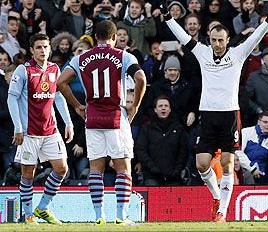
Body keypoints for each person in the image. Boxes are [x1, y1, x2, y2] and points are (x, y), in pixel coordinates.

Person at [160, 0, 268, 222]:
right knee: (202, 164)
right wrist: (167, 17)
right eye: (214, 39)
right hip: (207, 115)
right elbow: (184, 36)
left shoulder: (238, 54)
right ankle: (217, 197)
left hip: (229, 115)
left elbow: (257, 35)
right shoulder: (202, 52)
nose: (217, 44)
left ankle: (221, 212)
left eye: (221, 40)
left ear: (227, 41)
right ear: (210, 39)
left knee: (227, 164)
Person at [57, 20, 146, 226]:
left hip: (93, 119)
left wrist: (78, 106)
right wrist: (135, 106)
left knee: (96, 168)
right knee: (123, 168)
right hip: (116, 117)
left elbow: (61, 82)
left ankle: (98, 215)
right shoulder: (124, 56)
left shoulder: (81, 58)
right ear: (114, 37)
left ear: (96, 37)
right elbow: (140, 77)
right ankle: (121, 216)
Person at [7, 33, 74, 225]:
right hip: (29, 133)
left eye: (45, 47)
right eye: (38, 47)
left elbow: (58, 97)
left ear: (50, 49)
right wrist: (18, 127)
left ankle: (42, 208)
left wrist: (68, 122)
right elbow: (12, 98)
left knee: (62, 169)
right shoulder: (23, 70)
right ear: (31, 50)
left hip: (51, 131)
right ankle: (28, 214)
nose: (42, 50)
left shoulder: (55, 69)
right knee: (28, 174)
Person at [136, 95, 188, 186]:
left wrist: (177, 170)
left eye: (166, 106)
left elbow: (183, 151)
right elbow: (141, 150)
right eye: (160, 106)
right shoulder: (147, 128)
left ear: (170, 109)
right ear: (155, 110)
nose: (163, 108)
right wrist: (153, 168)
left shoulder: (179, 128)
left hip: (174, 177)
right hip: (152, 176)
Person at [235, 111, 268, 185]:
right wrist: (252, 169)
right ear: (259, 122)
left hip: (262, 181)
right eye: (265, 122)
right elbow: (238, 152)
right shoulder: (246, 132)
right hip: (242, 178)